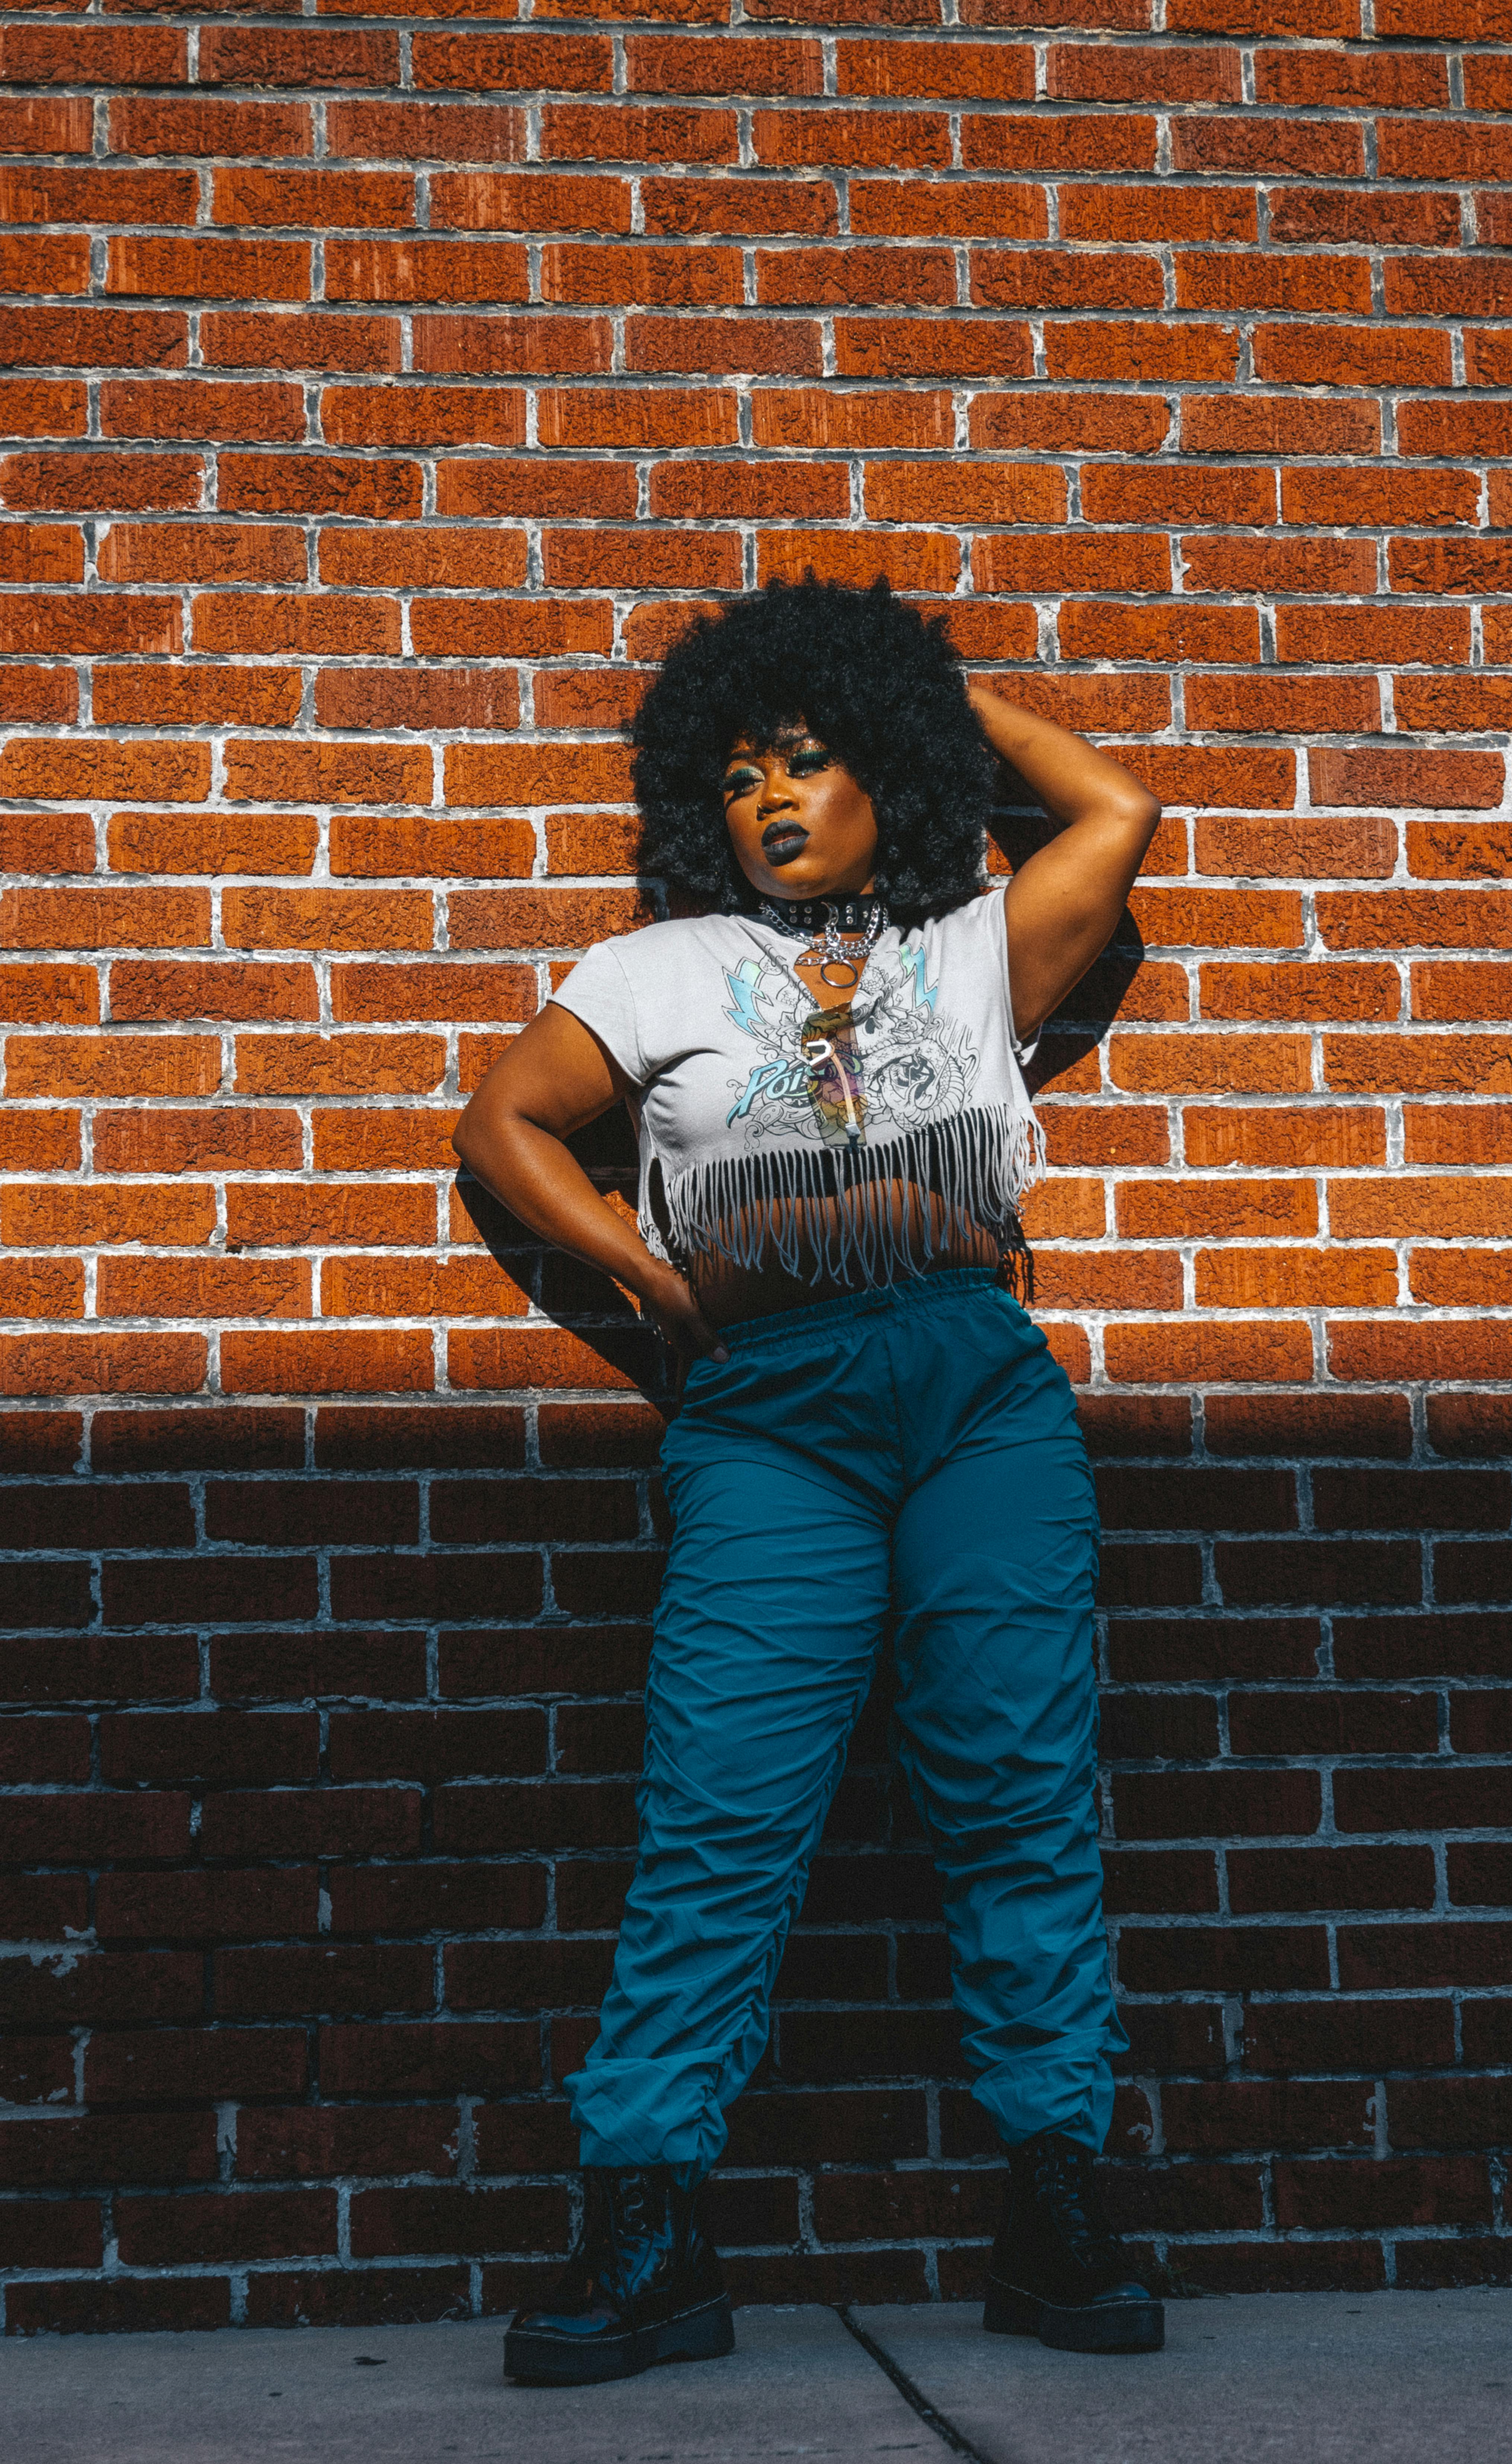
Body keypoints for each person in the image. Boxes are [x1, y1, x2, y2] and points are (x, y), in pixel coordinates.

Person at [453, 576, 1164, 2387]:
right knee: (720, 1800)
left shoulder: (977, 948)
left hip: (974, 1400)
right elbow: (504, 1123)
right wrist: (659, 1283)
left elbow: (1113, 812)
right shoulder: (651, 969)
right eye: (742, 770)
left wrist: (931, 698)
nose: (770, 796)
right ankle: (643, 2210)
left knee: (1015, 1782)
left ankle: (1054, 2186)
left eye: (812, 756)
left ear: (886, 776)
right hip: (768, 1416)